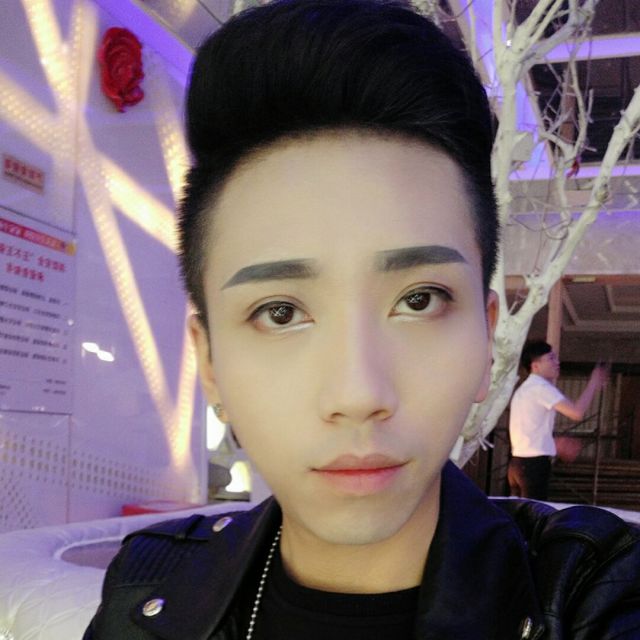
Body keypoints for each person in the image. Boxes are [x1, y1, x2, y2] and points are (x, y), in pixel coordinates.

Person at [84, 2, 640, 638]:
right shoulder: (148, 584)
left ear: (488, 340)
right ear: (209, 362)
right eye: (280, 312)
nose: (358, 394)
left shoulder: (593, 591)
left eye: (420, 300)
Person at [508, 340, 609, 501]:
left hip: (516, 463)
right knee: (534, 513)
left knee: (518, 513)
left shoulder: (525, 389)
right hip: (533, 465)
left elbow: (530, 430)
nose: (557, 362)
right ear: (535, 366)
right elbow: (577, 413)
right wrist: (593, 383)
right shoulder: (541, 388)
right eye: (551, 358)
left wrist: (555, 443)